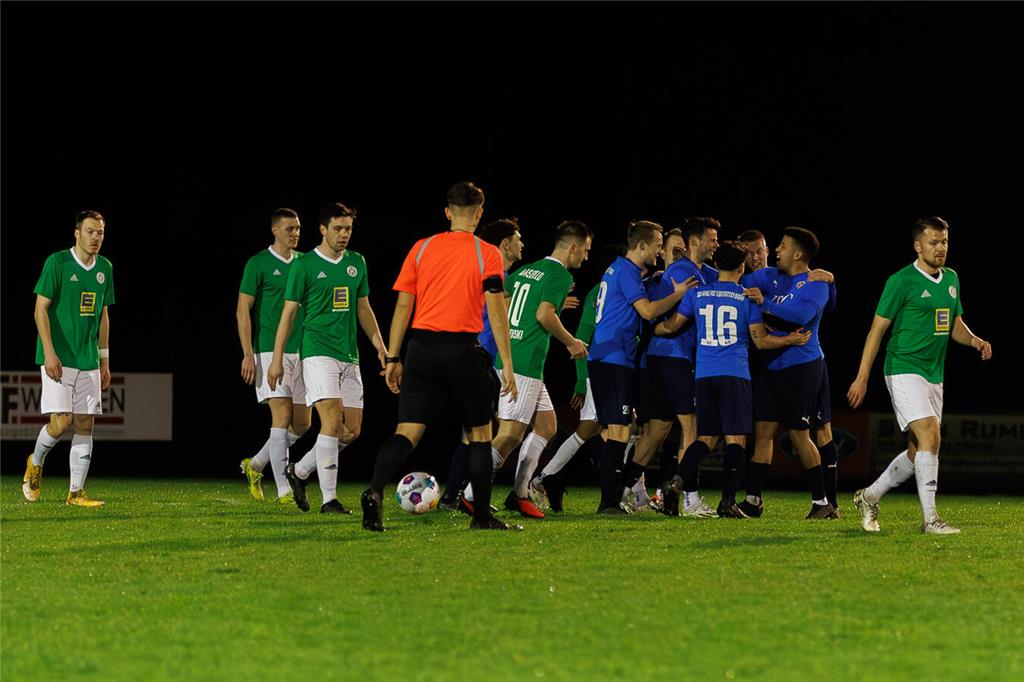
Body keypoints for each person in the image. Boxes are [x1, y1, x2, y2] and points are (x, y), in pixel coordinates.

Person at [361, 181, 519, 532]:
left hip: (421, 350)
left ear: (447, 212)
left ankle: (374, 492)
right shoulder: (486, 253)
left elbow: (404, 305)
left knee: (407, 431)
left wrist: (392, 358)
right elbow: (496, 312)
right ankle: (480, 518)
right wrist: (507, 364)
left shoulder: (421, 248)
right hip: (463, 350)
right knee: (480, 435)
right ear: (479, 213)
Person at [848, 217, 991, 534]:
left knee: (918, 450)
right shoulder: (901, 281)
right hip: (902, 368)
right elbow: (877, 330)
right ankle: (931, 521)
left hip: (933, 374)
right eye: (933, 242)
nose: (940, 248)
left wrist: (976, 340)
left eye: (944, 242)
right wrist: (862, 376)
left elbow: (953, 323)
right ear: (918, 245)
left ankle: (869, 496)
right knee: (931, 435)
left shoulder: (951, 279)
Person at [656, 243, 811, 517]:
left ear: (717, 263)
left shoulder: (697, 293)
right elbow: (760, 342)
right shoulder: (745, 298)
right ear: (741, 267)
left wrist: (653, 327)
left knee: (705, 437)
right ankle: (727, 502)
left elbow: (671, 326)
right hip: (734, 373)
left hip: (704, 374)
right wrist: (790, 339)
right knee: (735, 440)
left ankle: (676, 482)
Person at [268, 202, 387, 514]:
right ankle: (329, 500)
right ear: (322, 229)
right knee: (332, 420)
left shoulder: (356, 263)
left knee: (352, 430)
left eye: (348, 228)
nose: (344, 234)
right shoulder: (304, 265)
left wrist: (380, 345)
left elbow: (364, 308)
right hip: (317, 352)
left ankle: (301, 471)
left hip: (349, 354)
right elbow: (288, 315)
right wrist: (278, 359)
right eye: (338, 228)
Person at [587, 220, 695, 513]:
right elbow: (647, 311)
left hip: (606, 358)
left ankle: (612, 496)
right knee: (619, 432)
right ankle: (609, 502)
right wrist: (679, 294)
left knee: (617, 430)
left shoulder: (620, 269)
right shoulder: (626, 271)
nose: (660, 251)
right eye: (659, 245)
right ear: (642, 245)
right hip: (614, 360)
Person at [488, 220, 591, 518]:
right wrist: (572, 342)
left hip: (514, 355)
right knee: (509, 435)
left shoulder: (528, 269)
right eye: (584, 251)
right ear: (572, 247)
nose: (585, 257)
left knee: (547, 425)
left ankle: (519, 493)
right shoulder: (559, 274)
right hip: (525, 363)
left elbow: (503, 300)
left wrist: (515, 329)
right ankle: (471, 494)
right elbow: (544, 315)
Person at [737, 229, 841, 514]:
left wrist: (764, 303)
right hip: (772, 366)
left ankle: (822, 503)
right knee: (763, 432)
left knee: (799, 434)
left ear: (798, 253)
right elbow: (735, 279)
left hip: (804, 367)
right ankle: (753, 500)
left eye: (782, 246)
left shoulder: (815, 281)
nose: (777, 251)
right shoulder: (770, 276)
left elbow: (802, 316)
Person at [23, 210, 115, 507]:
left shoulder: (105, 268)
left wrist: (105, 361)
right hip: (59, 357)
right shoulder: (58, 263)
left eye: (100, 232)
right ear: (77, 233)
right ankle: (35, 462)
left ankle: (76, 492)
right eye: (90, 231)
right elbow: (40, 309)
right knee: (61, 423)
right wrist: (49, 352)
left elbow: (103, 316)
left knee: (86, 423)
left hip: (88, 358)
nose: (95, 238)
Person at [631, 217, 720, 517]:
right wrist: (660, 330)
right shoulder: (682, 273)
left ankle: (623, 486)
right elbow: (659, 317)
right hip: (675, 357)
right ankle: (690, 498)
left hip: (661, 359)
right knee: (691, 427)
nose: (716, 244)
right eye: (711, 238)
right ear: (695, 242)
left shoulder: (703, 272)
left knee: (656, 430)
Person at [437, 217, 523, 509]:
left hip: (486, 361)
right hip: (480, 358)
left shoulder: (503, 279)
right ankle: (456, 496)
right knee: (478, 430)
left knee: (480, 430)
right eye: (518, 238)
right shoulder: (491, 277)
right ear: (506, 244)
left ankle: (457, 495)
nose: (522, 244)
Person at [236, 208, 311, 503]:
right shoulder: (259, 263)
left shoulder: (305, 262)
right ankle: (284, 490)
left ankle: (255, 465)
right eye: (290, 228)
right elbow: (243, 310)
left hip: (303, 351)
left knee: (303, 424)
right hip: (269, 350)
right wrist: (247, 353)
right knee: (281, 416)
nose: (295, 233)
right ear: (275, 231)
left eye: (298, 228)